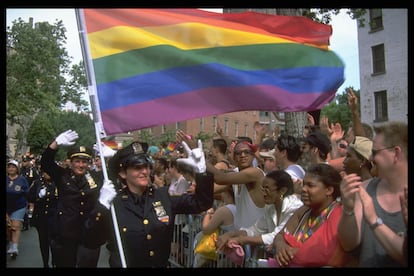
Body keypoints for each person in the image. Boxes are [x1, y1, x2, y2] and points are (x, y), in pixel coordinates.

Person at [83, 140, 214, 267]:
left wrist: (201, 173)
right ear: (123, 173)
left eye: (146, 166)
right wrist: (101, 206)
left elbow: (201, 203)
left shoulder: (163, 196)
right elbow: (91, 241)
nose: (144, 172)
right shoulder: (114, 204)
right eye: (137, 168)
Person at [338, 121, 407, 267]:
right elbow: (348, 244)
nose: (370, 158)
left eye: (375, 152)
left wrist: (374, 220)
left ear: (396, 153)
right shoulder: (365, 189)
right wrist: (348, 209)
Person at [40, 129, 108, 267]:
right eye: (77, 161)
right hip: (65, 234)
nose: (81, 165)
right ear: (70, 162)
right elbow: (46, 163)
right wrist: (55, 144)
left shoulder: (95, 177)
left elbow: (113, 173)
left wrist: (111, 155)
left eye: (84, 162)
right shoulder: (62, 175)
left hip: (89, 234)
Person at [272, 164, 351, 267]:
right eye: (304, 184)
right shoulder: (303, 211)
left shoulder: (338, 214)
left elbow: (329, 254)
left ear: (329, 190)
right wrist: (281, 246)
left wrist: (298, 253)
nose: (303, 189)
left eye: (310, 185)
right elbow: (280, 235)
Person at [216, 170, 303, 258]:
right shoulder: (271, 208)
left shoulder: (295, 208)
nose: (263, 193)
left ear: (282, 191)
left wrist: (241, 240)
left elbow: (276, 236)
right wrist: (230, 235)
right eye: (262, 189)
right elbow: (255, 230)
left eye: (267, 189)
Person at [207, 140, 266, 230]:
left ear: (253, 156)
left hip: (256, 238)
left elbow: (221, 178)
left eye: (247, 152)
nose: (243, 155)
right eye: (239, 153)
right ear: (234, 157)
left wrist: (201, 160)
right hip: (241, 237)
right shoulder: (236, 173)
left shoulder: (255, 173)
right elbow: (213, 189)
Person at [27, 170, 58, 267]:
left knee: (54, 242)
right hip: (41, 217)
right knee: (43, 241)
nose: (47, 174)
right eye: (45, 172)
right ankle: (45, 262)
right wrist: (38, 196)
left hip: (55, 217)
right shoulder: (37, 183)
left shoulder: (58, 182)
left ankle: (55, 261)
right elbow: (29, 196)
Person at [6, 159, 30, 258]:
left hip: (19, 206)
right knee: (8, 228)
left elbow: (27, 192)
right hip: (7, 207)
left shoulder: (22, 179)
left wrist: (29, 205)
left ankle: (15, 247)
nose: (11, 169)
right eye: (9, 167)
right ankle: (11, 244)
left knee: (15, 226)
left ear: (17, 169)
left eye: (13, 167)